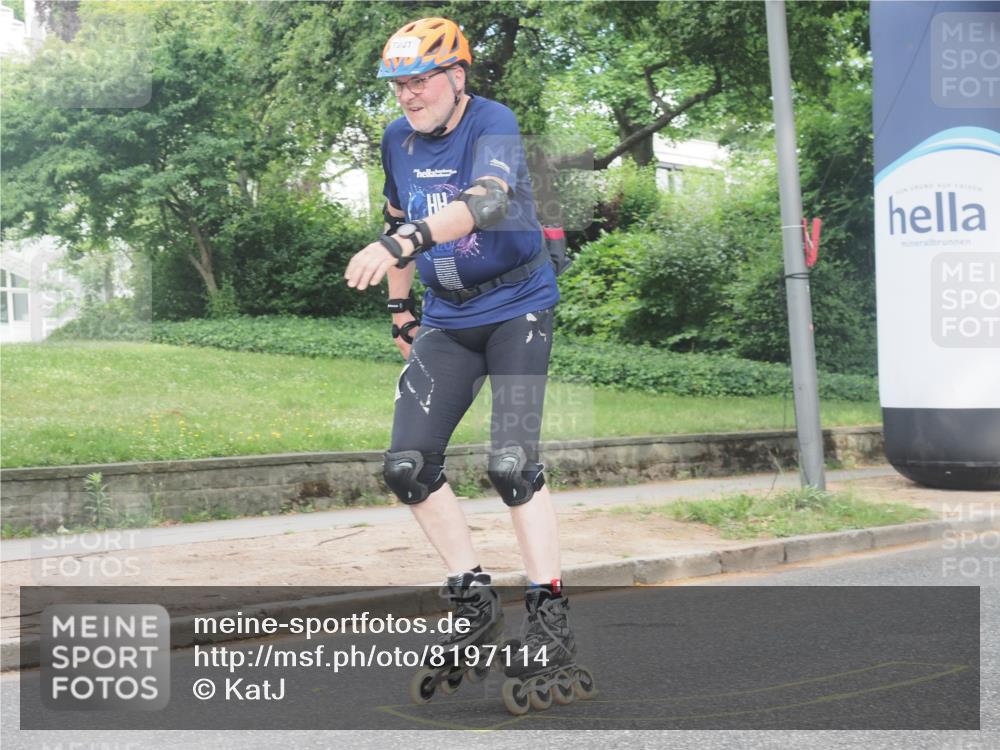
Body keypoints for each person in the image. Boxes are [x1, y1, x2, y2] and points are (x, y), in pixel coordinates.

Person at [344, 17, 575, 685]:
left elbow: (487, 200)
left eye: (418, 82)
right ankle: (473, 601)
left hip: (519, 309)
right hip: (447, 317)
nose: (408, 97)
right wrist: (398, 307)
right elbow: (396, 219)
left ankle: (548, 617)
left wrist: (402, 246)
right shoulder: (396, 139)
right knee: (407, 466)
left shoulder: (491, 121)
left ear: (456, 77)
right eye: (398, 86)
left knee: (510, 462)